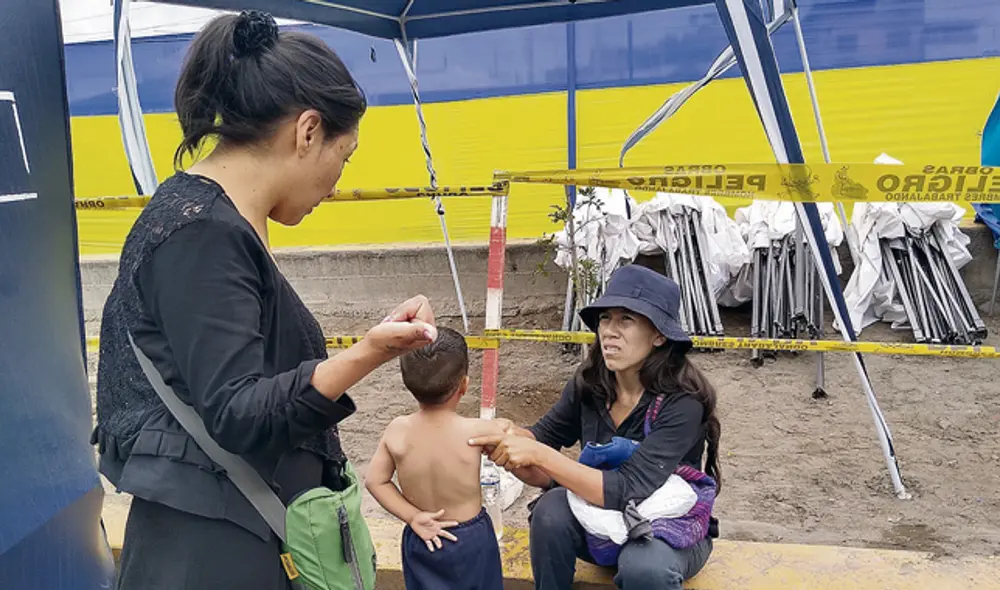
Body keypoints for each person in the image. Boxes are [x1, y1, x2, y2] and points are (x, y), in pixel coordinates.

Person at [92, 10, 439, 590]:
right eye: (343, 156)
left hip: (228, 530)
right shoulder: (201, 232)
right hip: (214, 547)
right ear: (307, 132)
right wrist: (368, 354)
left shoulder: (220, 220)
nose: (335, 183)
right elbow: (237, 412)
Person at [470, 264, 722, 590]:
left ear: (659, 335)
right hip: (600, 520)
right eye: (605, 318)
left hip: (667, 529)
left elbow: (627, 488)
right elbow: (544, 439)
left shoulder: (684, 402)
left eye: (626, 320)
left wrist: (539, 455)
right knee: (549, 512)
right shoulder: (590, 384)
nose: (609, 330)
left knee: (644, 568)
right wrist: (511, 440)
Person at [365, 327, 505, 590]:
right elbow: (517, 445)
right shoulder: (478, 431)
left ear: (407, 384)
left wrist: (413, 517)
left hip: (422, 535)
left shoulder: (397, 430)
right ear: (464, 385)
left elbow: (375, 482)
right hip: (470, 540)